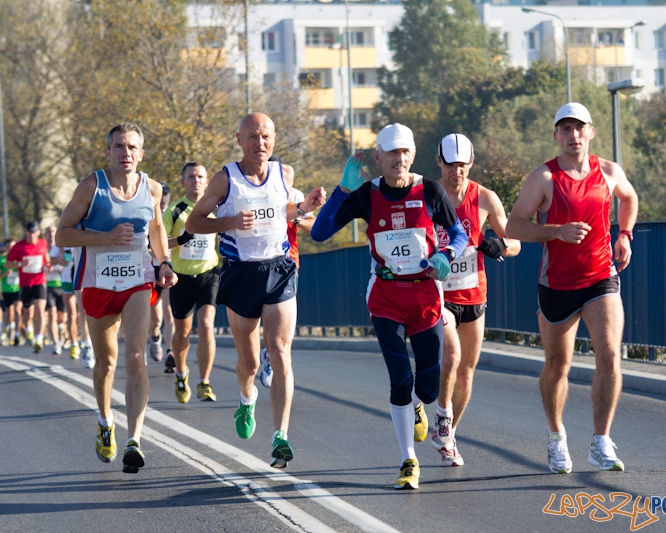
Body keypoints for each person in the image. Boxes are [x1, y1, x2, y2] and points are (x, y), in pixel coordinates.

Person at [311, 123, 468, 490]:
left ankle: (418, 404)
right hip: (385, 296)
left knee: (427, 385)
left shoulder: (429, 190)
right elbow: (319, 232)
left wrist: (446, 255)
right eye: (392, 152)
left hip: (425, 295)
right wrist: (342, 191)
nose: (399, 158)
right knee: (399, 377)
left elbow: (459, 233)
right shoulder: (366, 195)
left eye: (405, 152)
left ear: (412, 154)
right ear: (378, 156)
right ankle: (408, 459)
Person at [185, 112, 325, 468]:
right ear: (239, 140)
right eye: (252, 137)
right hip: (241, 273)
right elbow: (193, 222)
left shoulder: (284, 173)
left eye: (265, 137)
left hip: (279, 268)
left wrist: (304, 207)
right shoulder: (225, 179)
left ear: (273, 139)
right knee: (248, 363)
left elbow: (284, 212)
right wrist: (230, 222)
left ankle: (281, 436)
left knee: (279, 351)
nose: (260, 144)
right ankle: (247, 399)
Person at [505, 103, 639, 474]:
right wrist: (556, 232)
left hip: (600, 278)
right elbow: (513, 227)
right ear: (556, 136)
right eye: (565, 129)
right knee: (557, 366)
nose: (573, 135)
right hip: (557, 285)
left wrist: (625, 235)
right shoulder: (544, 178)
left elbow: (629, 197)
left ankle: (601, 441)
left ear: (591, 132)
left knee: (609, 355)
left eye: (579, 128)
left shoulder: (608, 171)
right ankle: (556, 436)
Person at [55, 122, 177, 474]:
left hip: (138, 280)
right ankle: (105, 420)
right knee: (106, 363)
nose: (126, 153)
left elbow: (157, 228)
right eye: (119, 147)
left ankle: (134, 439)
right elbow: (62, 236)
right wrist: (105, 237)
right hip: (97, 284)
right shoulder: (91, 187)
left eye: (132, 147)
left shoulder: (152, 189)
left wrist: (164, 262)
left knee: (136, 356)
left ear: (141, 153)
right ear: (108, 152)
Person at [419, 134, 521, 467]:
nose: (456, 172)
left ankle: (447, 434)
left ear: (471, 163)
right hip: (438, 293)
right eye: (450, 165)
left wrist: (500, 246)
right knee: (451, 356)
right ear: (439, 162)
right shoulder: (426, 195)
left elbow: (515, 241)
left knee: (465, 374)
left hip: (474, 294)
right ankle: (442, 417)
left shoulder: (485, 198)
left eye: (462, 165)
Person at [162, 162, 222, 403]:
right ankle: (181, 374)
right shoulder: (174, 211)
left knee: (206, 325)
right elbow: (155, 243)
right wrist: (180, 240)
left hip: (209, 275)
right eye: (191, 177)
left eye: (200, 176)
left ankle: (204, 382)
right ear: (183, 182)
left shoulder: (217, 209)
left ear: (207, 182)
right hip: (181, 278)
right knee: (182, 332)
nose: (195, 180)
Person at [259, 176, 317, 387]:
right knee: (264, 319)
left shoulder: (296, 195)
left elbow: (314, 226)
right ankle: (267, 354)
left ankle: (274, 359)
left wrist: (295, 217)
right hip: (258, 262)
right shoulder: (253, 192)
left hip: (288, 263)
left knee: (282, 322)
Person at [6, 221, 50, 353]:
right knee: (28, 313)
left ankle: (38, 339)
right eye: (29, 232)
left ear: (38, 232)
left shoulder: (43, 243)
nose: (31, 235)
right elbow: (8, 264)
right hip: (25, 284)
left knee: (40, 310)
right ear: (26, 231)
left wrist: (48, 265)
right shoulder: (18, 246)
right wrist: (20, 264)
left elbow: (46, 258)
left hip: (40, 281)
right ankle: (28, 328)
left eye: (34, 232)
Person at [147, 180, 176, 370]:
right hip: (152, 269)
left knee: (168, 311)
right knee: (156, 319)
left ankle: (170, 352)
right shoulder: (148, 215)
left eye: (166, 194)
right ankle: (155, 337)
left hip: (170, 269)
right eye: (161, 193)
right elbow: (146, 247)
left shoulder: (175, 213)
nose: (163, 197)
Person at [0, 238, 23, 346]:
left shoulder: (20, 258)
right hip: (6, 290)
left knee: (18, 311)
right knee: (9, 313)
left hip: (19, 288)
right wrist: (3, 274)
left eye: (13, 246)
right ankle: (8, 329)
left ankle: (17, 334)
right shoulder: (2, 260)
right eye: (8, 247)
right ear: (5, 248)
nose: (11, 248)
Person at [44, 225, 66, 354]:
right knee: (52, 314)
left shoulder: (61, 246)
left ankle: (63, 333)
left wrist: (61, 264)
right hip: (47, 285)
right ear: (45, 234)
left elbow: (69, 258)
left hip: (61, 284)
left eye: (53, 231)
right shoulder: (42, 248)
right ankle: (56, 343)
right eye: (48, 231)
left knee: (61, 318)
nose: (51, 234)